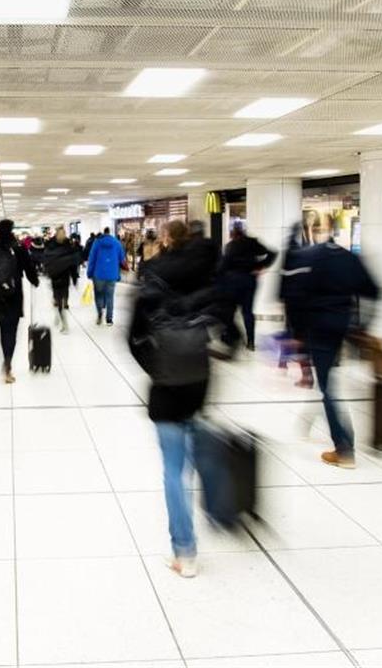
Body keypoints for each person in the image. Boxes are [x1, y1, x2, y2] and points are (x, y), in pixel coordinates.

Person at [128, 220, 224, 578]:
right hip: (199, 378)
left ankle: (185, 553)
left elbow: (133, 336)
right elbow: (224, 320)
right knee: (200, 449)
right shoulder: (207, 273)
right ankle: (218, 510)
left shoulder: (152, 276)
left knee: (173, 469)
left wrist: (154, 367)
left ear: (166, 239)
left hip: (166, 383)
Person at [293, 215, 380, 468]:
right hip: (341, 326)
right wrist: (363, 327)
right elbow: (374, 291)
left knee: (327, 386)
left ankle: (344, 449)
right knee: (329, 381)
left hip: (318, 329)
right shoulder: (347, 258)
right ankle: (341, 438)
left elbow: (297, 297)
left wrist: (297, 333)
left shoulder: (309, 257)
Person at [0, 219, 39, 383]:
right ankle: (8, 363)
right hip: (15, 295)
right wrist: (35, 281)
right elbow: (29, 269)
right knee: (11, 331)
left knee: (2, 329)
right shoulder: (19, 248)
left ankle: (6, 360)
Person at [218, 223, 277, 351]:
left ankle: (232, 338)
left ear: (232, 233)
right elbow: (273, 253)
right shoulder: (252, 243)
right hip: (249, 280)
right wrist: (260, 266)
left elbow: (223, 267)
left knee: (230, 311)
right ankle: (251, 342)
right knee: (248, 312)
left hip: (233, 283)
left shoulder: (230, 246)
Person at [278, 221, 314, 388]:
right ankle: (300, 370)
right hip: (305, 301)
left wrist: (279, 297)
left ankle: (304, 375)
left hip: (292, 301)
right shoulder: (308, 251)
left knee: (294, 335)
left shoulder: (290, 253)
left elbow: (283, 277)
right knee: (300, 335)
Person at [86, 227, 126, 326]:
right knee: (110, 297)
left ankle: (100, 314)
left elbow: (92, 259)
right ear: (110, 233)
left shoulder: (97, 243)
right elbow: (122, 259)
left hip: (98, 274)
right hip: (112, 275)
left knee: (98, 295)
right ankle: (109, 319)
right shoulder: (117, 243)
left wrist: (89, 273)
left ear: (103, 233)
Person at [43, 227, 79, 333]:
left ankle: (63, 320)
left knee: (61, 299)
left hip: (62, 276)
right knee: (59, 300)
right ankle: (62, 319)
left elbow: (72, 263)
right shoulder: (55, 245)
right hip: (58, 277)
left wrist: (74, 276)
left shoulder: (62, 245)